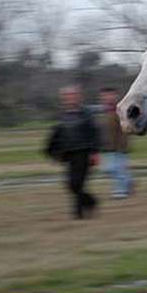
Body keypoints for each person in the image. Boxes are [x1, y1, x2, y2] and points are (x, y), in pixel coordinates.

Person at [45, 85, 102, 219]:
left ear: (79, 97)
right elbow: (56, 135)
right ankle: (91, 202)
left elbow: (94, 133)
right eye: (67, 96)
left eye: (72, 95)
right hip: (69, 155)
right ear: (63, 99)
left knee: (77, 184)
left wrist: (95, 152)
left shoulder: (87, 114)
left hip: (84, 153)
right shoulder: (62, 116)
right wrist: (52, 153)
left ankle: (78, 214)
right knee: (71, 185)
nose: (70, 98)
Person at [95, 87, 135, 199]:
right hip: (106, 148)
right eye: (104, 96)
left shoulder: (121, 110)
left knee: (117, 169)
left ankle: (120, 191)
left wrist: (123, 146)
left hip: (119, 147)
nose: (107, 98)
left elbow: (126, 129)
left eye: (110, 95)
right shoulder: (102, 112)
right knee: (108, 169)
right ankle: (129, 181)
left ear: (115, 96)